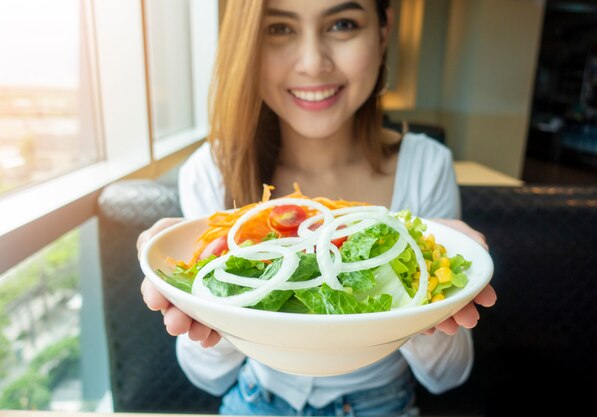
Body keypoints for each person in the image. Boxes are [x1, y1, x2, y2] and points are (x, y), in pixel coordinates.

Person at [137, 0, 497, 415]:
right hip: (255, 401)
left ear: (383, 31)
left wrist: (425, 294)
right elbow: (207, 376)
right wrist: (197, 302)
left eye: (342, 24)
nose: (312, 63)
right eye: (279, 29)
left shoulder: (426, 166)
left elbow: (447, 375)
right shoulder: (212, 171)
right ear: (247, 44)